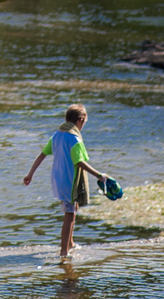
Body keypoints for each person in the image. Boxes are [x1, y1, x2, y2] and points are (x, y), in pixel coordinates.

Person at [23, 103, 109, 260]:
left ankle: (70, 243)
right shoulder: (75, 139)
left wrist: (30, 173)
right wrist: (99, 175)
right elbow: (80, 162)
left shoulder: (57, 135)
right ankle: (64, 251)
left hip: (57, 179)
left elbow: (42, 154)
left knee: (72, 208)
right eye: (83, 123)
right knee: (69, 214)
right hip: (69, 181)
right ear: (80, 121)